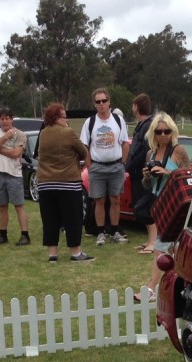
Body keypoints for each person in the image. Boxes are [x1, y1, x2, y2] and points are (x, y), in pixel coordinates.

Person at [134, 113, 190, 300]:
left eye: (167, 131)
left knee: (162, 245)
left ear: (173, 131)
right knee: (172, 247)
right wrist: (147, 176)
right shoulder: (151, 153)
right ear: (153, 134)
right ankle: (179, 284)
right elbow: (147, 186)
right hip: (160, 204)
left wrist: (168, 172)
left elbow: (189, 178)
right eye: (159, 132)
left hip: (176, 204)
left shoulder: (178, 151)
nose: (163, 135)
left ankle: (150, 288)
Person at [36, 103, 93, 263]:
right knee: (72, 218)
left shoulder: (43, 133)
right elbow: (83, 151)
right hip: (67, 182)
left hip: (45, 183)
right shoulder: (68, 132)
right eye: (64, 116)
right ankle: (75, 253)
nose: (66, 119)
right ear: (57, 118)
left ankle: (52, 254)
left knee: (50, 219)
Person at [80, 87, 130, 246]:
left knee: (115, 199)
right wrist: (90, 166)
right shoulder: (90, 122)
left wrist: (122, 164)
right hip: (97, 168)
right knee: (99, 201)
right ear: (94, 104)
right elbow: (84, 146)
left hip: (116, 167)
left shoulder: (118, 120)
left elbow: (124, 143)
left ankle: (115, 231)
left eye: (104, 101)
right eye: (98, 101)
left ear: (109, 102)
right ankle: (101, 232)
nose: (102, 104)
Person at [0, 107, 32, 247]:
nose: (5, 121)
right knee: (2, 206)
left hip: (14, 174)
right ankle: (2, 234)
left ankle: (25, 235)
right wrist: (5, 138)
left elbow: (16, 154)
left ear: (12, 119)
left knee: (19, 205)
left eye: (7, 118)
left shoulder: (20, 134)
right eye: (2, 119)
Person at [125, 93, 155, 253]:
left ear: (136, 107)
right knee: (141, 207)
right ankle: (150, 240)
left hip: (144, 174)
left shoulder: (148, 126)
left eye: (133, 105)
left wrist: (129, 166)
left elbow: (145, 151)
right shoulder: (142, 125)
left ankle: (153, 242)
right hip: (136, 173)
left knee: (145, 207)